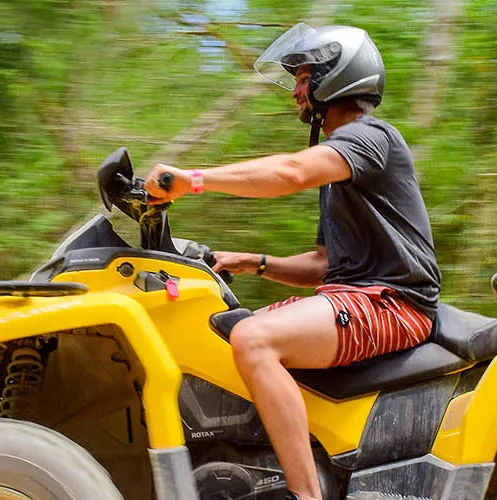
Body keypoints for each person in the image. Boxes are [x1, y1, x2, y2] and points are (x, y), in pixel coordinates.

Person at [145, 23, 440, 500]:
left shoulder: (370, 138)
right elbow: (326, 264)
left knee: (253, 340)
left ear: (336, 77)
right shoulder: (341, 168)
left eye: (303, 79)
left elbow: (289, 172)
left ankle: (306, 495)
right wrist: (255, 262)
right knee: (219, 338)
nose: (296, 93)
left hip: (394, 304)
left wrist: (193, 179)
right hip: (356, 297)